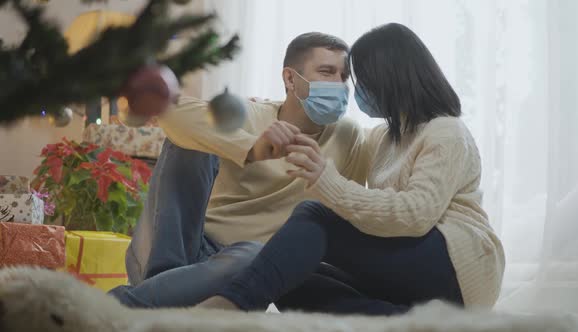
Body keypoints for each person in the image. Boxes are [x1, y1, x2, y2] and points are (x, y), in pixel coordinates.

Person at [200, 23, 506, 315]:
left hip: (459, 268)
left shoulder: (446, 132)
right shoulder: (386, 138)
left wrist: (326, 180)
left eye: (358, 79)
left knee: (314, 214)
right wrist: (269, 109)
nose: (353, 90)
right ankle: (406, 321)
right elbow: (352, 144)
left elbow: (416, 215)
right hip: (415, 273)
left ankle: (231, 306)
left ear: (390, 78)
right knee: (291, 272)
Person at [108, 32, 370, 308]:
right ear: (290, 79)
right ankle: (163, 284)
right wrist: (252, 148)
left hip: (247, 267)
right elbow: (172, 113)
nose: (339, 85)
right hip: (188, 248)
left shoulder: (348, 136)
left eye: (344, 76)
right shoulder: (249, 115)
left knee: (255, 255)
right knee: (187, 141)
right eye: (327, 72)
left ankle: (135, 302)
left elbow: (346, 213)